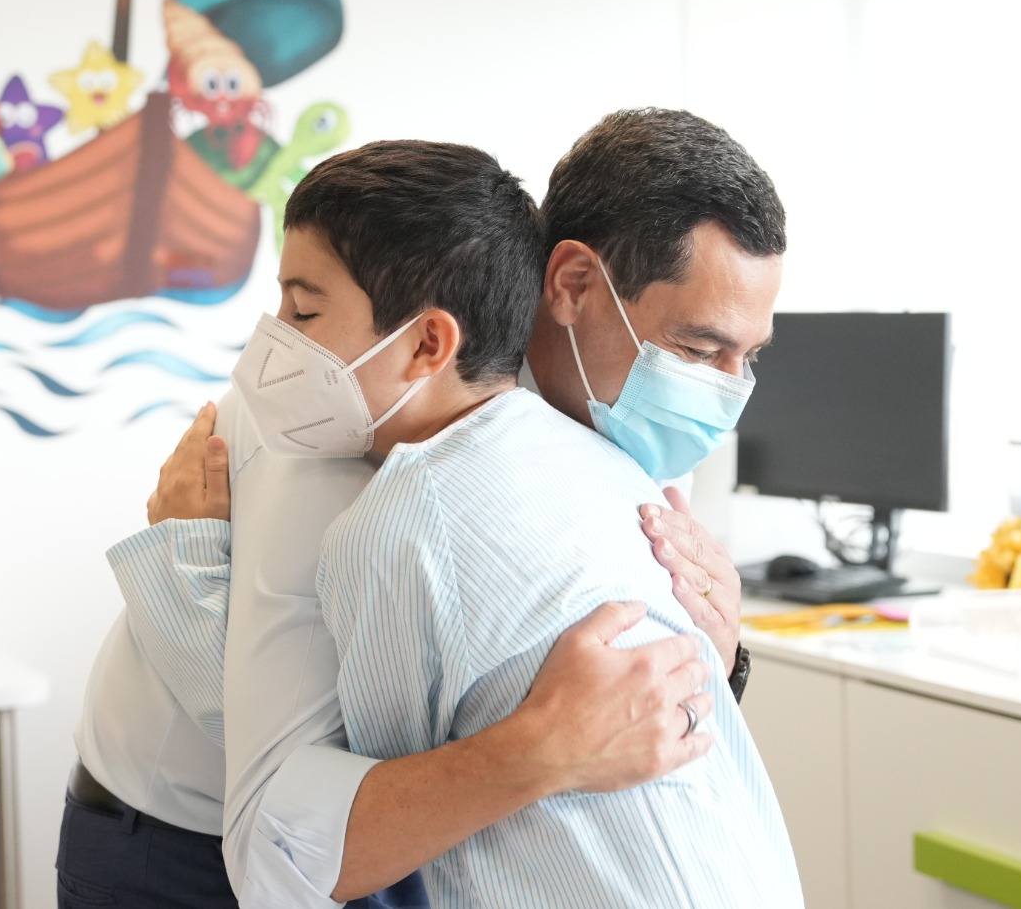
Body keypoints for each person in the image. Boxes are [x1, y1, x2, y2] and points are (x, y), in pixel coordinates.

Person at [121, 111, 794, 906]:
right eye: (697, 349)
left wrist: (713, 663)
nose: (724, 392)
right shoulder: (345, 429)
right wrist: (545, 745)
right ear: (572, 285)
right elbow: (295, 814)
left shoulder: (603, 449)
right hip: (183, 837)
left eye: (748, 358)